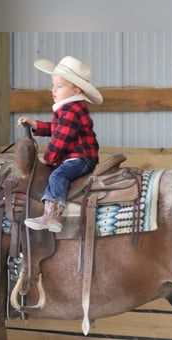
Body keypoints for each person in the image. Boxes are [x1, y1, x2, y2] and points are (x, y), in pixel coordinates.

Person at [18, 56, 103, 233]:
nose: (53, 90)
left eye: (59, 86)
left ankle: (54, 215)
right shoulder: (69, 108)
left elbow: (61, 139)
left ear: (76, 90)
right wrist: (36, 125)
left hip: (80, 158)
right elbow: (57, 129)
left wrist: (49, 158)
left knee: (58, 177)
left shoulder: (71, 110)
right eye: (53, 85)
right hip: (78, 157)